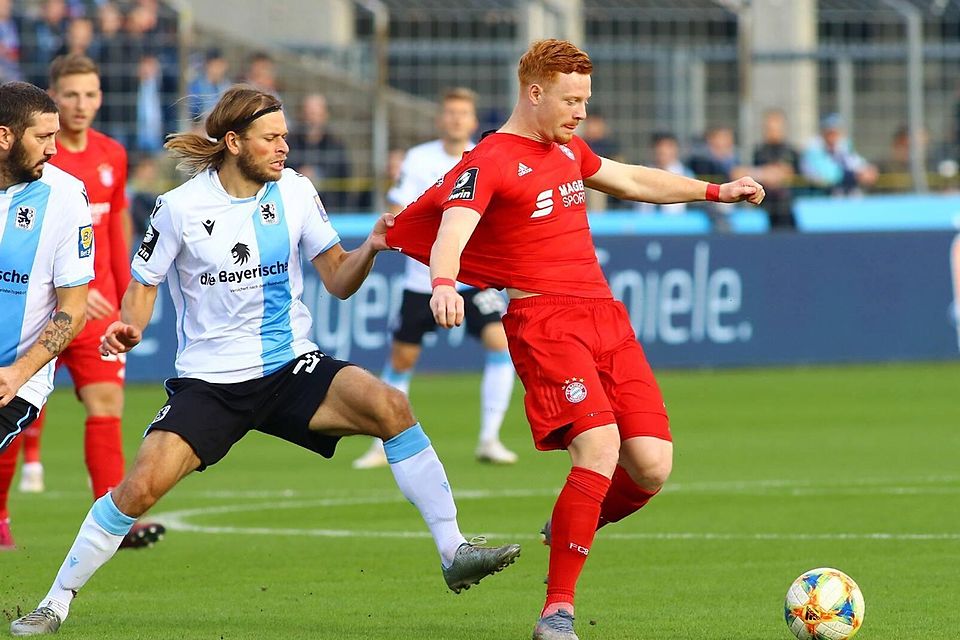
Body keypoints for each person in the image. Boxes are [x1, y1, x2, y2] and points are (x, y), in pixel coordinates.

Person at [9, 85, 520, 636]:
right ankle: (54, 603)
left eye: (285, 137)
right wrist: (130, 325)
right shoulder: (179, 208)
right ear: (234, 142)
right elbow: (144, 286)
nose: (284, 148)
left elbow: (338, 281)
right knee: (137, 489)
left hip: (290, 366)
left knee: (391, 406)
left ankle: (453, 550)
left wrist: (370, 247)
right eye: (271, 138)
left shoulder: (297, 191)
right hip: (212, 384)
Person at [384, 40, 765, 640]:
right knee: (600, 447)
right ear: (534, 93)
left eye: (586, 99)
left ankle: (567, 523)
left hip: (605, 317)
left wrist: (715, 191)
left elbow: (633, 178)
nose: (581, 111)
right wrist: (444, 282)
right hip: (545, 323)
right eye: (571, 99)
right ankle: (556, 611)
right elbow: (454, 228)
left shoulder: (566, 148)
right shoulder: (491, 158)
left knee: (652, 466)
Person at [0, 54, 165, 550]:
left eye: (91, 94)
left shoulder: (89, 172)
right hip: (51, 312)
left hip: (85, 308)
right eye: (71, 94)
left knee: (105, 403)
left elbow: (115, 228)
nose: (81, 105)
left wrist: (114, 294)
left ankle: (112, 522)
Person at [352, 87, 517, 470]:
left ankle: (490, 437)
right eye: (451, 112)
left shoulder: (485, 157)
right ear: (441, 118)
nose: (457, 119)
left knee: (500, 341)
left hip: (472, 276)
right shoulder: (419, 158)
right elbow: (398, 208)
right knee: (403, 357)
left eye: (464, 113)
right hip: (421, 278)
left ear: (473, 121)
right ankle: (384, 442)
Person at [0, 81, 92, 548]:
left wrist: (17, 374)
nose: (55, 149)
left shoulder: (65, 197)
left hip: (15, 379)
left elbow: (73, 310)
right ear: (5, 137)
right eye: (43, 137)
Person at [286, 93, 354, 212]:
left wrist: (318, 175)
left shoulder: (336, 145)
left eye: (316, 114)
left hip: (329, 208)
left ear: (325, 115)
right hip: (293, 207)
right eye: (308, 113)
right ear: (300, 114)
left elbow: (344, 180)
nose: (311, 119)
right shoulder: (289, 143)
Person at [733, 109, 799, 230]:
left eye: (776, 128)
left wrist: (769, 174)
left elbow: (787, 173)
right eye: (769, 128)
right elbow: (746, 173)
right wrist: (765, 174)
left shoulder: (790, 151)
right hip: (762, 204)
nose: (772, 132)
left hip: (786, 208)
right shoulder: (759, 152)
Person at [801, 113, 878, 196]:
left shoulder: (843, 147)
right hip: (820, 198)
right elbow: (826, 175)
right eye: (830, 133)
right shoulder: (813, 151)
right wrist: (855, 176)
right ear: (823, 133)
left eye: (836, 132)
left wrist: (868, 170)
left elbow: (856, 163)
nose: (833, 137)